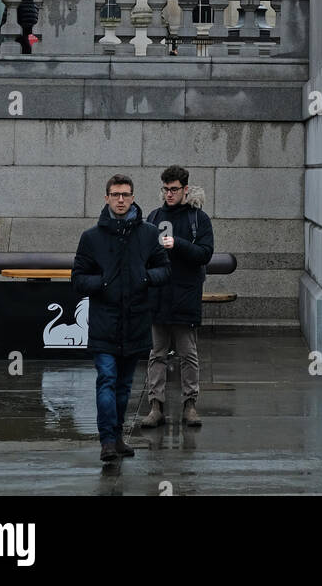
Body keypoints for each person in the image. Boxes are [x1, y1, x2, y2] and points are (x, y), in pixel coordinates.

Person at [71, 174, 170, 463]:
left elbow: (164, 270)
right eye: (116, 195)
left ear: (133, 196)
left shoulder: (149, 234)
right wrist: (103, 283)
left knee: (124, 385)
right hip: (105, 321)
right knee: (107, 380)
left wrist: (144, 277)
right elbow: (78, 279)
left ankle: (117, 437)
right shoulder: (91, 238)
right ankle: (107, 441)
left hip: (136, 321)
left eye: (126, 194)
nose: (121, 200)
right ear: (107, 198)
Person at [142, 165, 214, 430]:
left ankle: (190, 404)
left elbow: (205, 253)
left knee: (188, 353)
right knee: (157, 353)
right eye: (165, 189)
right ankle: (155, 406)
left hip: (185, 294)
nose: (169, 194)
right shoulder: (154, 215)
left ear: (185, 189)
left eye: (173, 189)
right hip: (159, 294)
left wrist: (178, 243)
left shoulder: (198, 218)